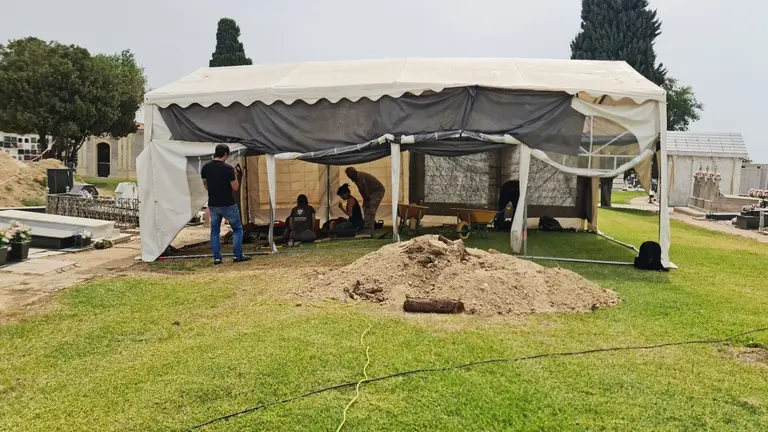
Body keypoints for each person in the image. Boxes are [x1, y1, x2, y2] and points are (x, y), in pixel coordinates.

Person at [201, 144, 250, 264]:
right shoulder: (228, 168)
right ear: (226, 154)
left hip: (213, 203)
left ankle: (217, 257)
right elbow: (235, 187)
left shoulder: (206, 167)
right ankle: (237, 255)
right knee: (237, 229)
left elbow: (206, 185)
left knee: (214, 231)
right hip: (228, 203)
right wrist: (236, 175)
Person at [344, 167, 385, 233]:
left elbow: (364, 189)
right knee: (365, 207)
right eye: (348, 176)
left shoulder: (360, 177)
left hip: (378, 191)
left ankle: (369, 229)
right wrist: (365, 200)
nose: (350, 178)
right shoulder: (356, 178)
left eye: (350, 176)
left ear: (353, 173)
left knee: (370, 208)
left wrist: (367, 200)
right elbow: (361, 190)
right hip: (371, 192)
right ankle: (368, 225)